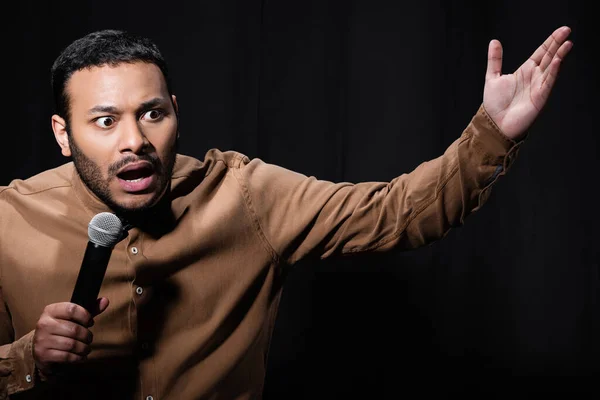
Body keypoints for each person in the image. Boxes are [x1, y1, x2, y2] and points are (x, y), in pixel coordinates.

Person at [0, 26, 572, 399]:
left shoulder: (247, 194)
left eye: (151, 113)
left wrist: (492, 132)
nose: (134, 141)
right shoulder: (10, 219)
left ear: (176, 112)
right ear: (63, 134)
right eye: (104, 121)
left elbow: (399, 212)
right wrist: (30, 358)